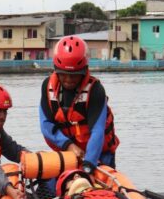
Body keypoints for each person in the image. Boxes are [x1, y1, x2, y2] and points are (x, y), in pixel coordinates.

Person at [40, 36, 120, 174]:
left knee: (99, 191)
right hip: (67, 153)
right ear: (56, 70)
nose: (69, 80)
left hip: (99, 155)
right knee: (51, 187)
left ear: (84, 71)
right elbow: (46, 125)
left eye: (74, 75)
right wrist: (69, 145)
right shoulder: (48, 87)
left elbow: (98, 131)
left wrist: (88, 165)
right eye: (64, 74)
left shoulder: (95, 90)